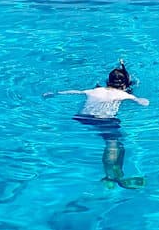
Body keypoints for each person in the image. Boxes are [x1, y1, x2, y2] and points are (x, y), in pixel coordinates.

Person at [44, 60, 150, 188]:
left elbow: (73, 91)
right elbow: (144, 103)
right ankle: (110, 175)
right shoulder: (123, 94)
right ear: (124, 85)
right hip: (105, 121)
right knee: (113, 145)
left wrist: (53, 94)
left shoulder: (94, 90)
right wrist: (140, 99)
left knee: (118, 143)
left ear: (107, 82)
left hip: (82, 117)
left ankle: (113, 171)